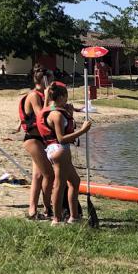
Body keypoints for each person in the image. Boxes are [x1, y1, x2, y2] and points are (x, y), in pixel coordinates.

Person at [37, 81, 94, 224]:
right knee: (59, 185)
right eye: (66, 97)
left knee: (75, 181)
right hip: (59, 150)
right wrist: (83, 130)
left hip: (54, 150)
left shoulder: (52, 110)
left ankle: (74, 217)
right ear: (61, 97)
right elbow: (61, 138)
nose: (68, 100)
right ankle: (56, 219)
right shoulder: (57, 115)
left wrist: (69, 113)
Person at [18, 69, 53, 219]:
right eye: (51, 79)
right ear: (45, 80)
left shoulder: (43, 96)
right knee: (49, 175)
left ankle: (32, 210)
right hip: (33, 139)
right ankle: (47, 208)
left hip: (41, 140)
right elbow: (41, 116)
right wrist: (47, 99)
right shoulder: (33, 96)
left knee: (38, 176)